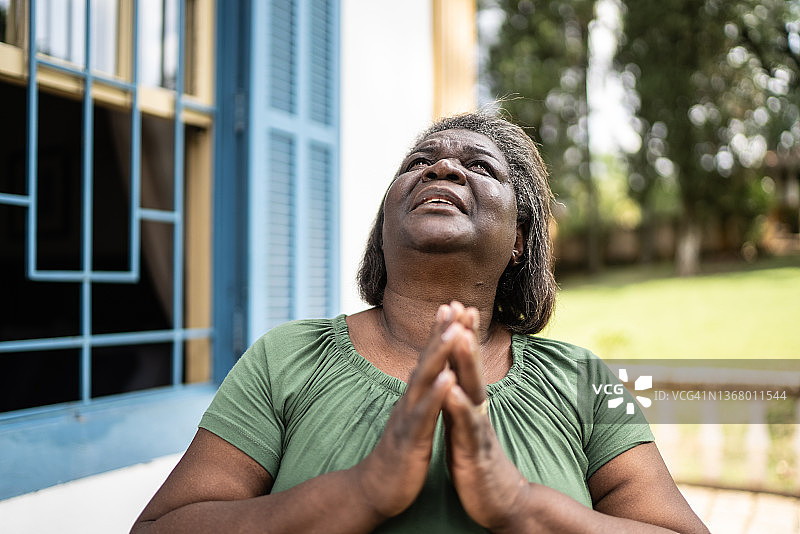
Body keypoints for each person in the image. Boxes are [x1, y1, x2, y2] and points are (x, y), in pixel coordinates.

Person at [131, 111, 709, 533]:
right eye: (419, 164)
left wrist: (518, 504)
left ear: (520, 241)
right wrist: (362, 491)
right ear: (384, 226)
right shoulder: (285, 359)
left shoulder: (584, 379)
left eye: (479, 166)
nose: (443, 168)